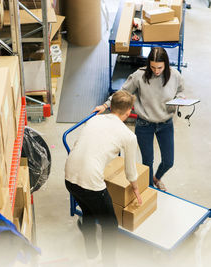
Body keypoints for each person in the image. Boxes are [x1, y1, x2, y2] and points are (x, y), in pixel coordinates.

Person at [65, 90, 142, 266]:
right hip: (90, 183)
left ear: (111, 105)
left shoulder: (94, 119)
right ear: (129, 111)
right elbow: (130, 170)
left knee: (89, 213)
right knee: (110, 226)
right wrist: (136, 189)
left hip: (69, 176)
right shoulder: (128, 136)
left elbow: (80, 145)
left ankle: (91, 256)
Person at [94, 47, 185, 192]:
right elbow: (122, 93)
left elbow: (180, 91)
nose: (156, 71)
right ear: (148, 63)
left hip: (166, 123)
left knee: (169, 161)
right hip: (145, 124)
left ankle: (157, 178)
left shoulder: (175, 75)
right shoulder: (139, 76)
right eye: (153, 67)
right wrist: (105, 105)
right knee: (147, 162)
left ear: (166, 64)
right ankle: (150, 189)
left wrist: (180, 99)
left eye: (160, 67)